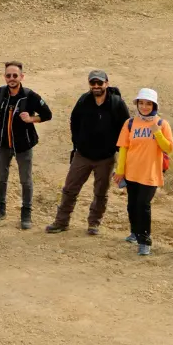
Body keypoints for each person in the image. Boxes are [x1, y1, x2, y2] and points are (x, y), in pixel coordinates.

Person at [45, 69, 130, 236]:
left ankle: (94, 224)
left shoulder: (116, 103)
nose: (96, 86)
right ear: (89, 84)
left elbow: (125, 128)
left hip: (105, 157)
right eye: (93, 83)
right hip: (82, 155)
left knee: (100, 192)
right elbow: (74, 121)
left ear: (106, 83)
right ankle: (61, 222)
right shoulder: (84, 100)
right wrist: (78, 143)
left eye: (100, 83)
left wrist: (117, 150)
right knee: (70, 189)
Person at [0, 61, 52, 229]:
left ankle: (26, 213)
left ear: (22, 77)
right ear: (4, 77)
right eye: (8, 75)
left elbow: (47, 114)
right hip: (2, 144)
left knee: (26, 180)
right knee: (1, 178)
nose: (11, 78)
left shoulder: (30, 96)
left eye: (15, 75)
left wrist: (31, 119)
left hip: (23, 145)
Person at [114, 88, 173, 256]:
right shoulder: (130, 123)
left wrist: (157, 133)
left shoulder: (162, 124)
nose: (144, 107)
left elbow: (168, 148)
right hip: (131, 172)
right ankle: (134, 232)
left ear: (154, 105)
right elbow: (124, 148)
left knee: (143, 205)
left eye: (148, 103)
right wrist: (120, 171)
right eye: (141, 103)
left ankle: (145, 240)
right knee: (132, 205)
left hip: (150, 173)